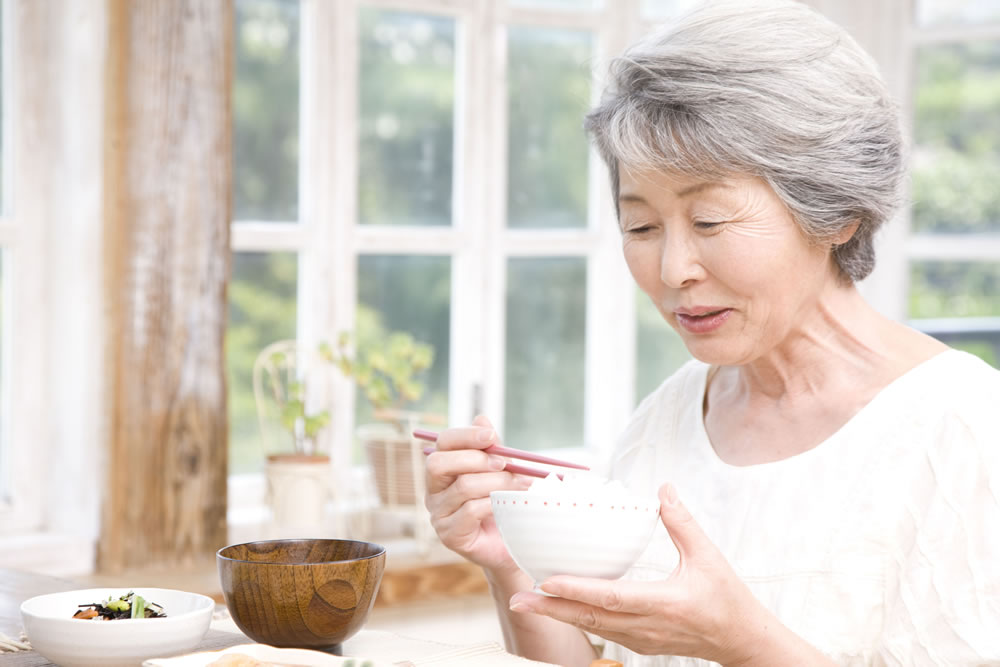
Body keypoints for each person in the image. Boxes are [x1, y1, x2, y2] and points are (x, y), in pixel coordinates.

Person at [423, 1, 1000, 664]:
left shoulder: (967, 431)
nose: (672, 270)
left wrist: (742, 643)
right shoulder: (667, 420)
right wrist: (508, 559)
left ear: (837, 211)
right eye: (640, 227)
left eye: (711, 222)